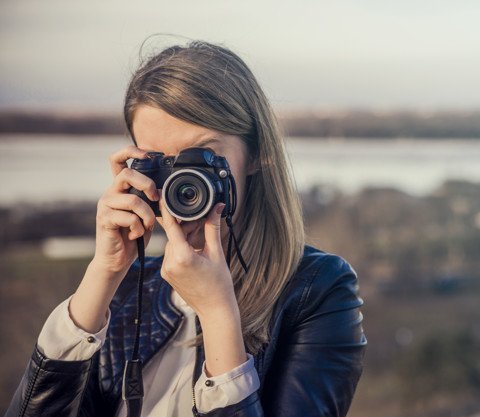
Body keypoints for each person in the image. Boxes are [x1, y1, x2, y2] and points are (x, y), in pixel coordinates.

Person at [5, 40, 366, 417]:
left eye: (203, 156)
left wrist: (217, 312)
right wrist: (103, 274)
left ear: (259, 152)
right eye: (160, 161)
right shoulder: (129, 288)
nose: (183, 180)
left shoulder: (319, 291)